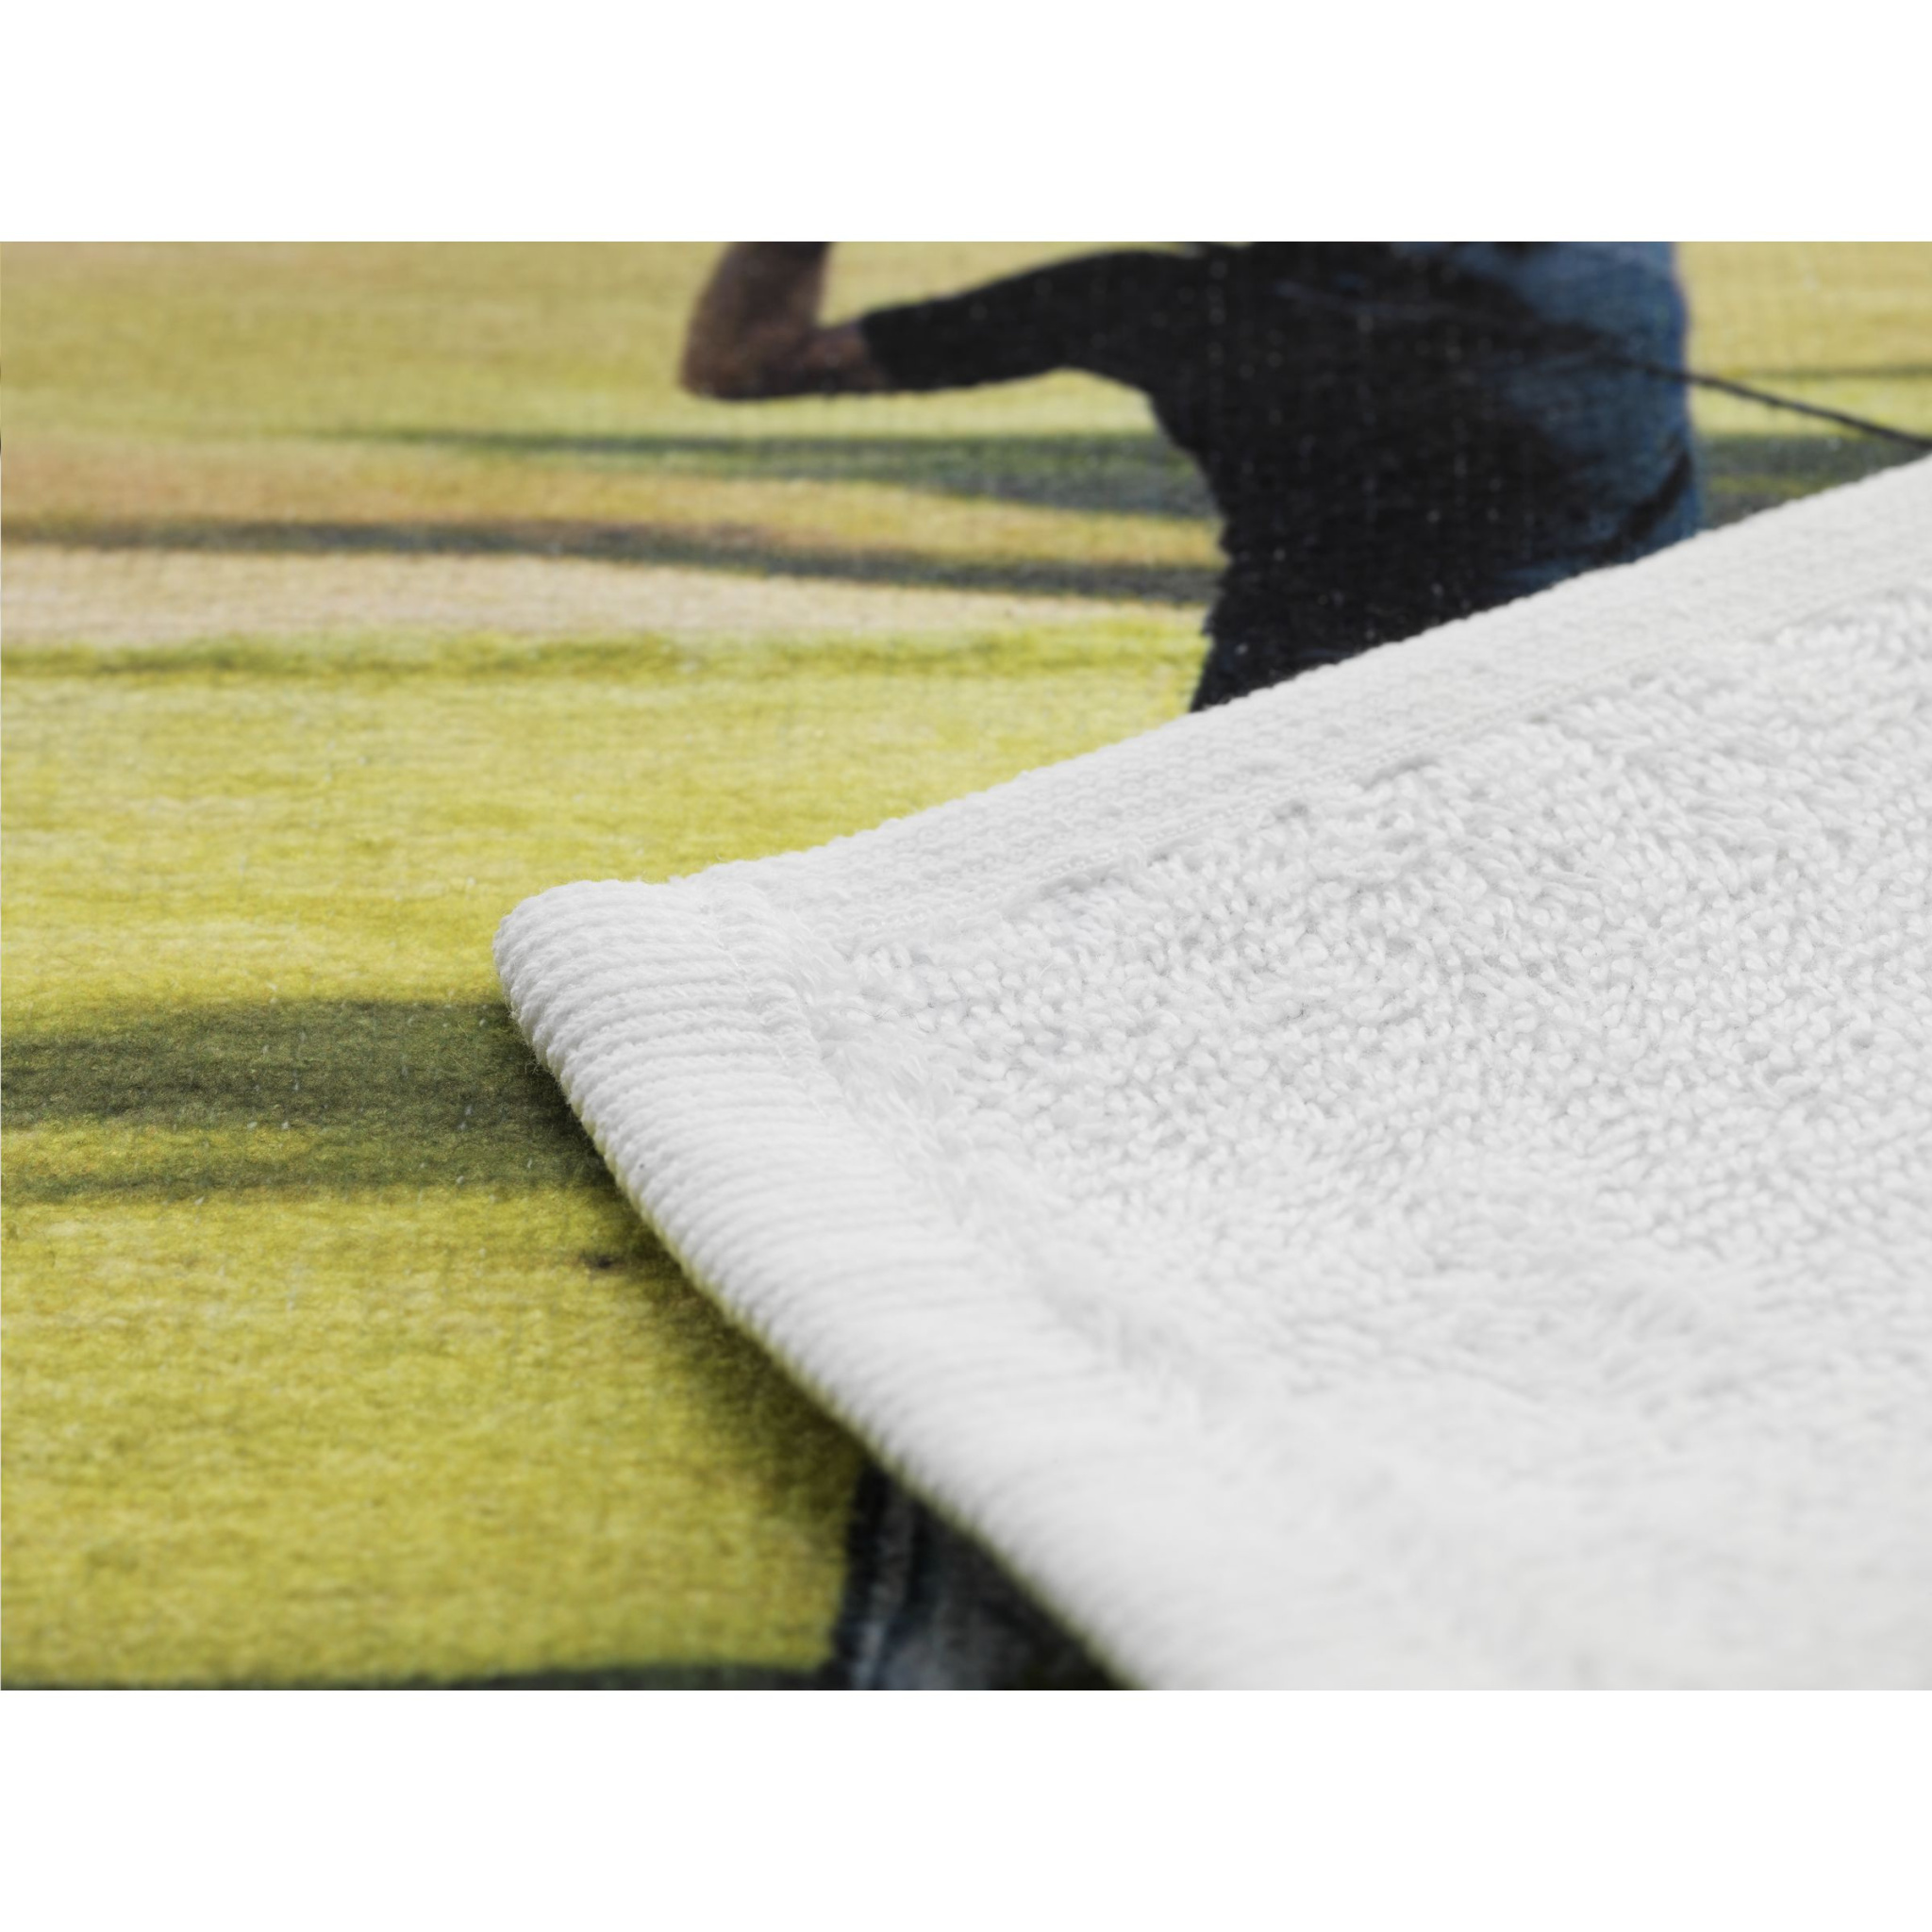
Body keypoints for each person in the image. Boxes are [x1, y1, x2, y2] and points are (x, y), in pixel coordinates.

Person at [680, 242, 1702, 709]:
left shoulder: (1160, 310)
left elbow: (742, 361)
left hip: (1280, 735)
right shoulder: (1608, 271)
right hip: (1616, 713)